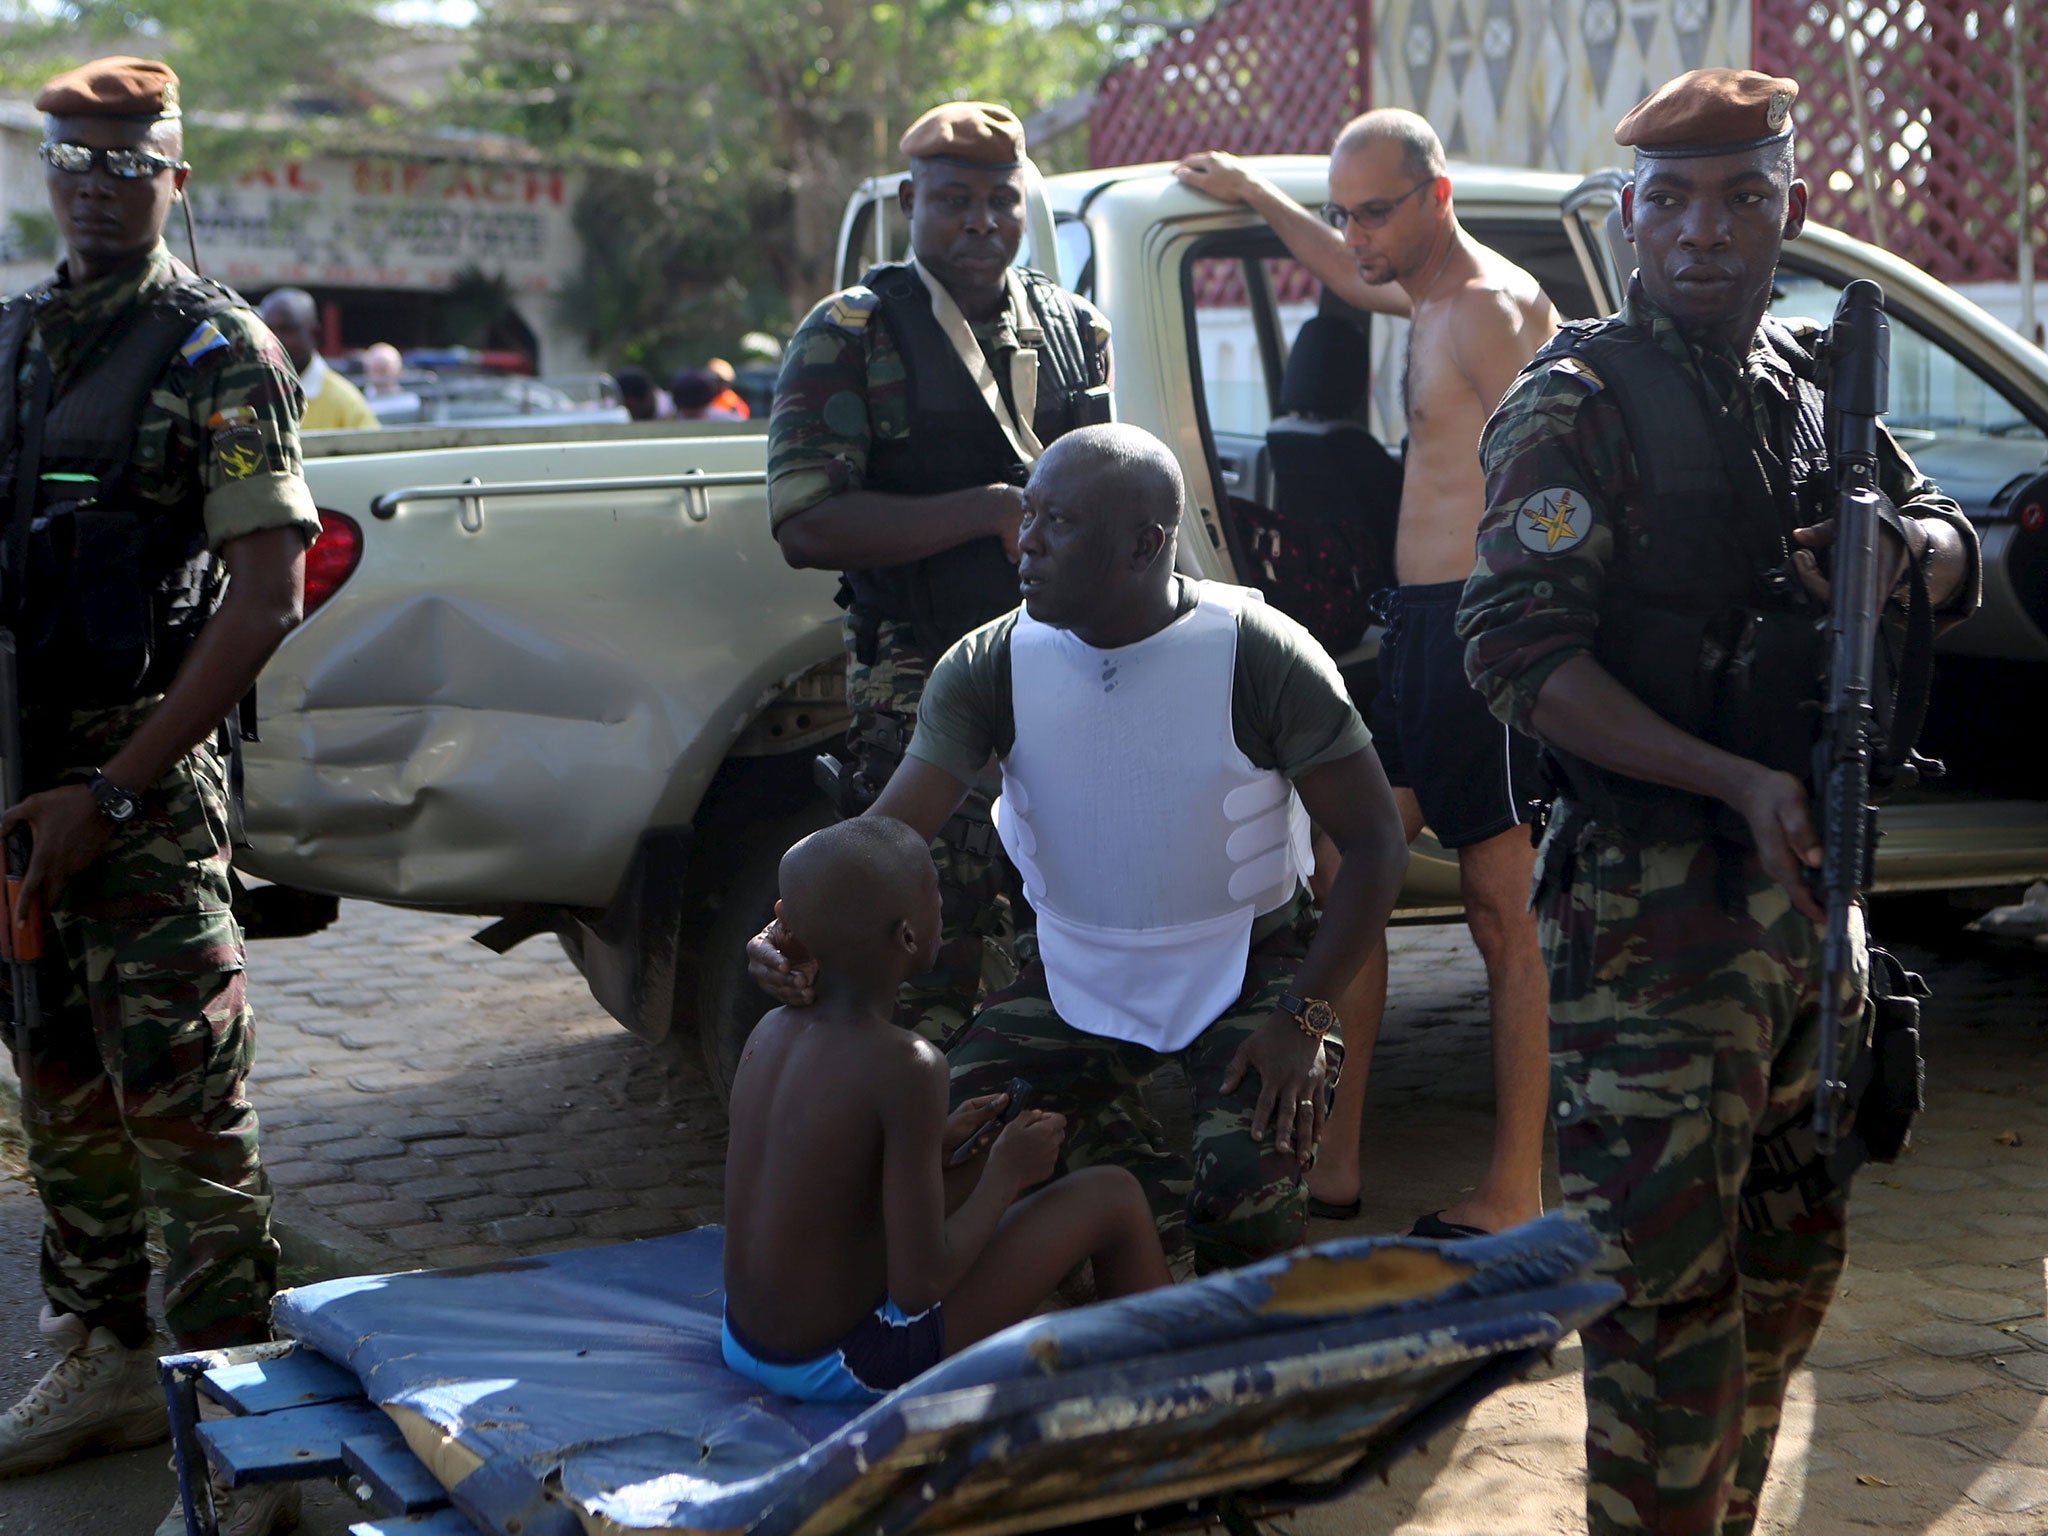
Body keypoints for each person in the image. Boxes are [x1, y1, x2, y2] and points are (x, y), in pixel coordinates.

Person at [1456, 69, 1980, 1534]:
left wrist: (1905, 554)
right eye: (1673, 200)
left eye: (1743, 197)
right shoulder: (1576, 400)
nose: (1705, 232)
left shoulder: (1821, 384)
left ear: (1791, 215)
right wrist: (1732, 779)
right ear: (1631, 219)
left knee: (1793, 1266)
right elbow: (1515, 654)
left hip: (1815, 913)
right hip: (1655, 920)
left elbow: (1958, 545)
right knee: (1664, 1313)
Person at [753, 425, 1411, 1273]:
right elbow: (887, 835)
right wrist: (789, 930)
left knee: (1245, 1208)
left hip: (1249, 964)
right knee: (940, 1149)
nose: (1024, 542)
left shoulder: (1261, 653)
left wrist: (1307, 1015)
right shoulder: (991, 663)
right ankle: (1127, 1198)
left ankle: (1207, 1288)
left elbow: (1374, 846)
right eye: (1026, 514)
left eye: (1056, 522)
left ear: (1144, 543)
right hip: (1071, 968)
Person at [0, 56, 322, 1536]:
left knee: (184, 1109)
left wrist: (114, 797)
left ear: (173, 178)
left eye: (131, 164)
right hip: (19, 784)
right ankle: (107, 1356)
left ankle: (240, 1421)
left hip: (139, 789)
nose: (98, 181)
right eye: (75, 154)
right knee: (56, 1078)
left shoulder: (216, 350)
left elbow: (263, 600)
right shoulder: (15, 341)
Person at [1175, 112, 1558, 1238]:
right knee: (1351, 858)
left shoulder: (1484, 310)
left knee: (1502, 912)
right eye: (1344, 211)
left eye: (1374, 209)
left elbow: (1552, 489)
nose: (1355, 236)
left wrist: (1522, 638)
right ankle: (1333, 1161)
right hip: (1411, 634)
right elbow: (1342, 268)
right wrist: (1254, 192)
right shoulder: (1418, 287)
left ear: (1436, 197)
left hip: (1478, 636)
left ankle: (1514, 1188)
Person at [769, 101, 1113, 1044]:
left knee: (1069, 936)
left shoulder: (1075, 326)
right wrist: (990, 510)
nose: (981, 222)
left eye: (1001, 200)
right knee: (933, 943)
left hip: (1069, 673)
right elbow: (805, 523)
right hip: (921, 678)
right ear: (910, 206)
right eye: (953, 200)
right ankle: (925, 1147)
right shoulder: (852, 332)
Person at [722, 816, 1168, 1404]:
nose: (943, 900)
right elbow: (918, 1287)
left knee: (966, 1165)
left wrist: (941, 1145)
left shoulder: (769, 1030)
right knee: (1112, 1194)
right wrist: (1008, 1173)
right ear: (908, 937)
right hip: (838, 1364)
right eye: (935, 889)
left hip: (744, 1338)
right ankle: (1186, 1412)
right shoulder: (908, 1064)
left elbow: (831, 1180)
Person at [256, 286, 379, 431]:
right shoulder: (250, 394)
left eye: (287, 330)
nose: (273, 341)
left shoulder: (347, 404)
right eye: (267, 329)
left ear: (315, 334)